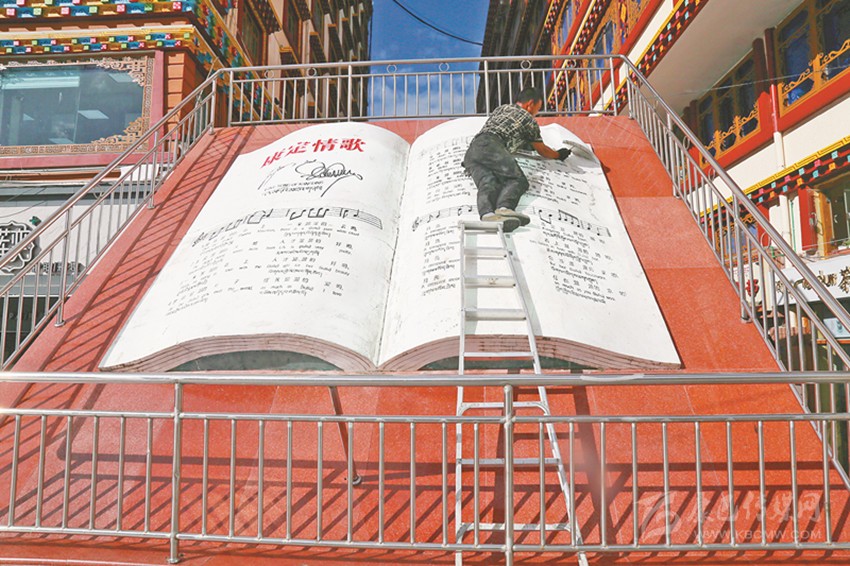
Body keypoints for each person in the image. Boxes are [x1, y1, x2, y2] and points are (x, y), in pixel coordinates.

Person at [462, 87, 571, 232]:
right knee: (517, 180)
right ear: (530, 104)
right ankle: (505, 208)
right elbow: (543, 151)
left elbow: (506, 130)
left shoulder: (502, 109)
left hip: (472, 151)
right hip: (492, 145)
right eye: (537, 109)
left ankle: (487, 215)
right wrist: (559, 154)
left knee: (488, 183)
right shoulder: (528, 120)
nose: (536, 113)